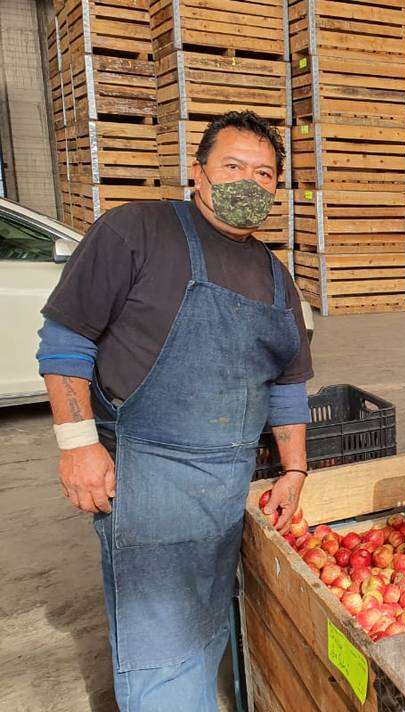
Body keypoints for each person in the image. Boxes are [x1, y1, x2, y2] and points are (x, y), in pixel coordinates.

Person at [36, 111, 313, 711]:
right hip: (149, 480)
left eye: (264, 174)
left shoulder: (275, 277)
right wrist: (78, 445)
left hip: (228, 483)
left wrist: (293, 471)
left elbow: (288, 382)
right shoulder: (134, 232)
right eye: (233, 166)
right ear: (198, 170)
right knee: (159, 639)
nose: (249, 182)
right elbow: (65, 343)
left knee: (209, 616)